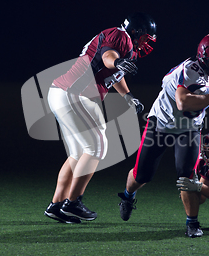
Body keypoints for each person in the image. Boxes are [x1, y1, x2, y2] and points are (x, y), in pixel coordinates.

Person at [44, 13, 157, 224]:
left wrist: (128, 96)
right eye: (146, 36)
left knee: (79, 153)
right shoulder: (120, 36)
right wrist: (118, 61)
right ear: (137, 32)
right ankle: (73, 201)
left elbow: (115, 74)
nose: (148, 41)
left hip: (66, 93)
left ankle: (56, 205)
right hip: (74, 94)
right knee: (97, 147)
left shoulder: (127, 48)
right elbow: (108, 57)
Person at [117, 34, 209, 225]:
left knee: (187, 176)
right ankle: (128, 196)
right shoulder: (190, 71)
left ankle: (192, 222)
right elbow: (183, 102)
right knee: (142, 174)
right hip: (162, 123)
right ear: (204, 59)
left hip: (189, 128)